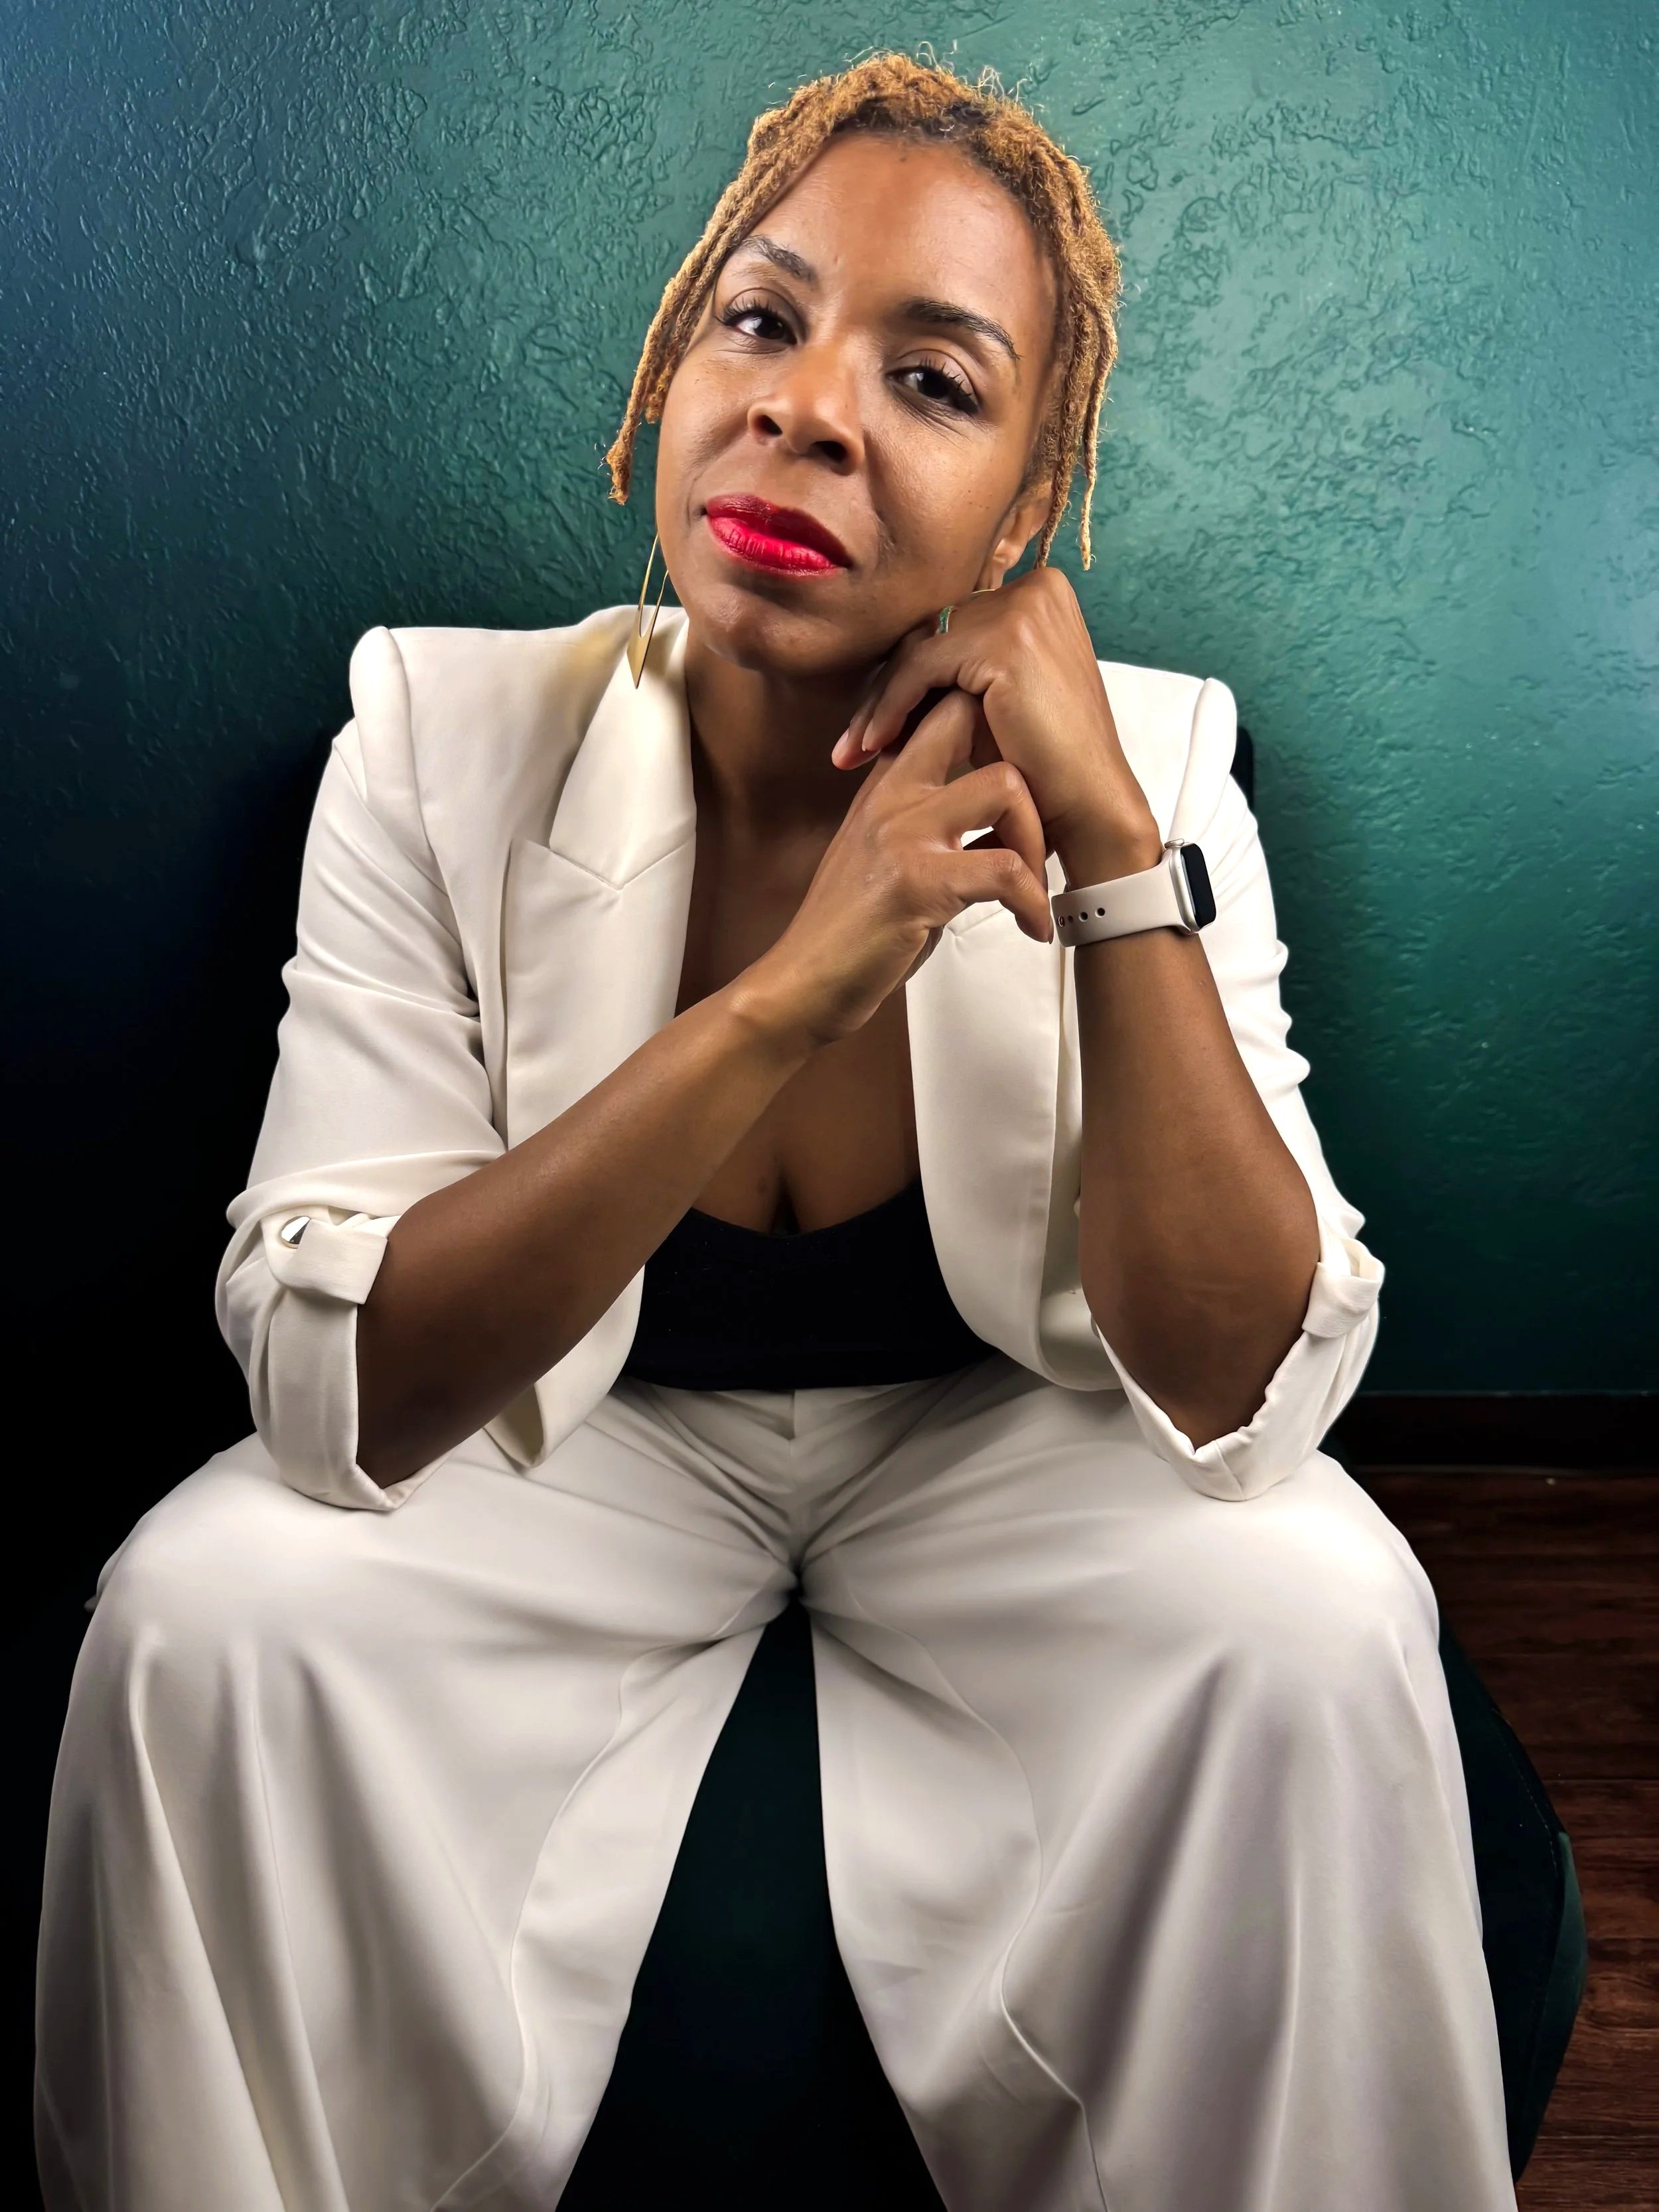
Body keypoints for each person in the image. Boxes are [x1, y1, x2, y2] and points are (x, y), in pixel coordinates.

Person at [35, 51, 1518, 2212]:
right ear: (671, 368)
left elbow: (1241, 1394)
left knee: (1318, 1607)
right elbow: (336, 1395)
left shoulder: (1161, 755)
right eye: (760, 318)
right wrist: (792, 991)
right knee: (200, 1608)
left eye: (931, 380)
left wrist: (1111, 845)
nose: (808, 408)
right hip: (584, 1448)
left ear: (1023, 505)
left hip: (993, 1438)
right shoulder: (432, 734)